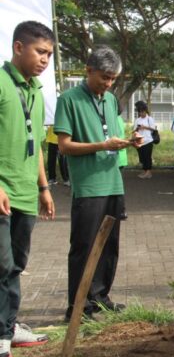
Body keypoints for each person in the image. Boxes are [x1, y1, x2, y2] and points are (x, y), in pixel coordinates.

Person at [54, 46, 142, 321]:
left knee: (109, 245)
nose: (108, 83)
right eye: (104, 77)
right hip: (89, 186)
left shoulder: (111, 100)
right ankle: (77, 307)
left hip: (113, 182)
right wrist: (102, 144)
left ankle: (100, 297)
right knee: (84, 246)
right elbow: (65, 146)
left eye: (113, 78)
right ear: (88, 70)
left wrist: (129, 141)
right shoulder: (68, 100)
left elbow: (112, 137)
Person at [0, 21, 56, 357]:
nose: (45, 60)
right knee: (1, 264)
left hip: (25, 193)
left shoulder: (35, 91)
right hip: (3, 192)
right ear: (19, 47)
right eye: (40, 52)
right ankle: (2, 334)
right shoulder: (2, 83)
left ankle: (8, 326)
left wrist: (44, 187)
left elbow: (34, 146)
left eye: (49, 54)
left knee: (17, 263)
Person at [133, 100, 155, 179]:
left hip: (148, 141)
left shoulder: (150, 119)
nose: (141, 114)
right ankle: (145, 170)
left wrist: (145, 127)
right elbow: (134, 130)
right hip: (140, 141)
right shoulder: (137, 120)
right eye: (140, 112)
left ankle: (148, 172)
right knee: (142, 157)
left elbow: (153, 129)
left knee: (147, 157)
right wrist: (137, 129)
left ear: (146, 111)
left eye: (142, 112)